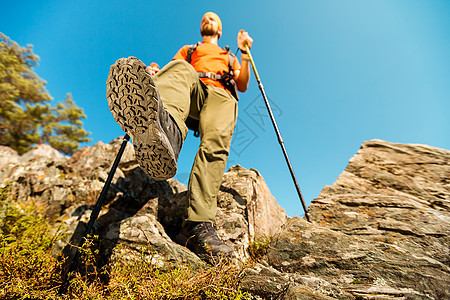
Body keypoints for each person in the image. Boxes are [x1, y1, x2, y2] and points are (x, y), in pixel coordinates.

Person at [106, 12, 253, 260]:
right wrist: (155, 76)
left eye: (213, 18)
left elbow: (242, 83)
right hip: (194, 89)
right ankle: (167, 131)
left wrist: (245, 51)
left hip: (222, 96)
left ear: (219, 30)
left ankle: (198, 225)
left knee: (214, 146)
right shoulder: (189, 50)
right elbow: (174, 74)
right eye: (204, 18)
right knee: (179, 68)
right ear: (201, 28)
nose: (208, 19)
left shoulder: (229, 56)